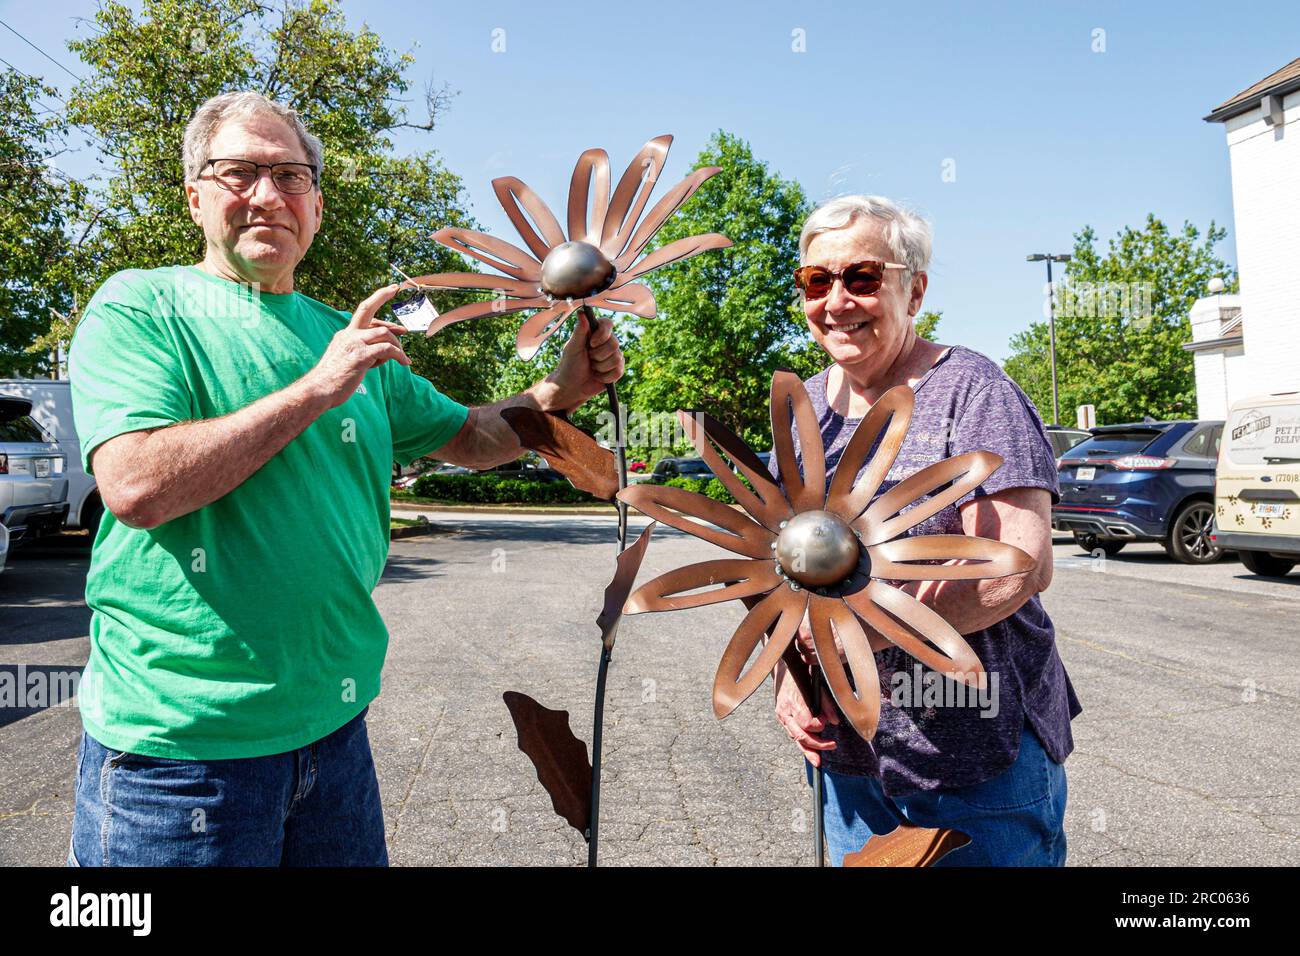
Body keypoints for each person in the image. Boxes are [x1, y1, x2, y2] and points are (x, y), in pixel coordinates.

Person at [66, 91, 623, 866]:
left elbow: (469, 436)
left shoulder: (349, 337)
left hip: (334, 737)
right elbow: (136, 486)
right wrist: (316, 388)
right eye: (239, 173)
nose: (267, 195)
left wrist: (554, 395)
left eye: (289, 176)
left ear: (317, 208)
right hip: (181, 757)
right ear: (195, 196)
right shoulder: (141, 306)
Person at [771, 195, 1081, 866]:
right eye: (816, 281)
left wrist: (857, 636)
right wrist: (791, 677)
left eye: (862, 278)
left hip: (975, 758)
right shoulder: (800, 420)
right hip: (850, 757)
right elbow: (778, 578)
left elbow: (1018, 566)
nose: (837, 300)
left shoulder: (972, 393)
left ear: (915, 291)